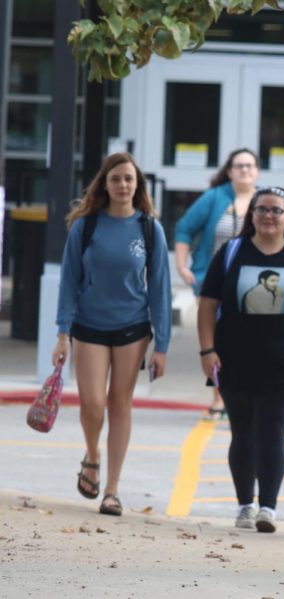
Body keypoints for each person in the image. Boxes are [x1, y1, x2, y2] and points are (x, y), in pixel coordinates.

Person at [197, 186, 284, 533]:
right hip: (235, 360)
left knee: (272, 430)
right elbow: (207, 304)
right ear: (252, 216)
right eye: (262, 209)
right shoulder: (232, 252)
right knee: (243, 432)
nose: (268, 216)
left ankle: (268, 508)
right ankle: (246, 504)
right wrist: (206, 350)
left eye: (277, 210)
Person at [53, 152, 171, 517]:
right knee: (91, 404)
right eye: (116, 178)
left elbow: (160, 289)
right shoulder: (85, 226)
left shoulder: (150, 228)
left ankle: (113, 490)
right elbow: (68, 281)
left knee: (119, 403)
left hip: (132, 327)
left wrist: (162, 345)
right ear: (104, 184)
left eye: (129, 179)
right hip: (89, 325)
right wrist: (62, 333)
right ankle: (92, 455)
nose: (123, 185)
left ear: (138, 186)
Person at [175, 148, 261, 420]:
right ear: (230, 170)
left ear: (256, 170)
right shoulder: (215, 197)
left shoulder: (264, 199)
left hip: (251, 287)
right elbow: (184, 227)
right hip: (215, 285)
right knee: (217, 343)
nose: (244, 170)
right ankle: (218, 398)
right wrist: (181, 266)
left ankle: (245, 396)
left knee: (250, 343)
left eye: (249, 166)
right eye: (239, 166)